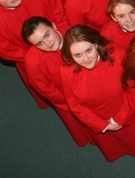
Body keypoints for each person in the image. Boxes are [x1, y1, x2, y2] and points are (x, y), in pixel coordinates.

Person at [61, 25, 135, 162]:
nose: (85, 59)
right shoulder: (66, 72)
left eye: (88, 50)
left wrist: (119, 119)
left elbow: (133, 91)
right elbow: (75, 106)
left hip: (127, 114)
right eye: (77, 55)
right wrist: (102, 125)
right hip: (97, 120)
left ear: (96, 44)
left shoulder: (119, 56)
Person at [22, 16, 91, 147]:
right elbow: (44, 88)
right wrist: (72, 101)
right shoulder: (32, 61)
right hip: (66, 98)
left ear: (54, 26)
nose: (47, 44)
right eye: (39, 43)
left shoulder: (76, 33)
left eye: (47, 35)